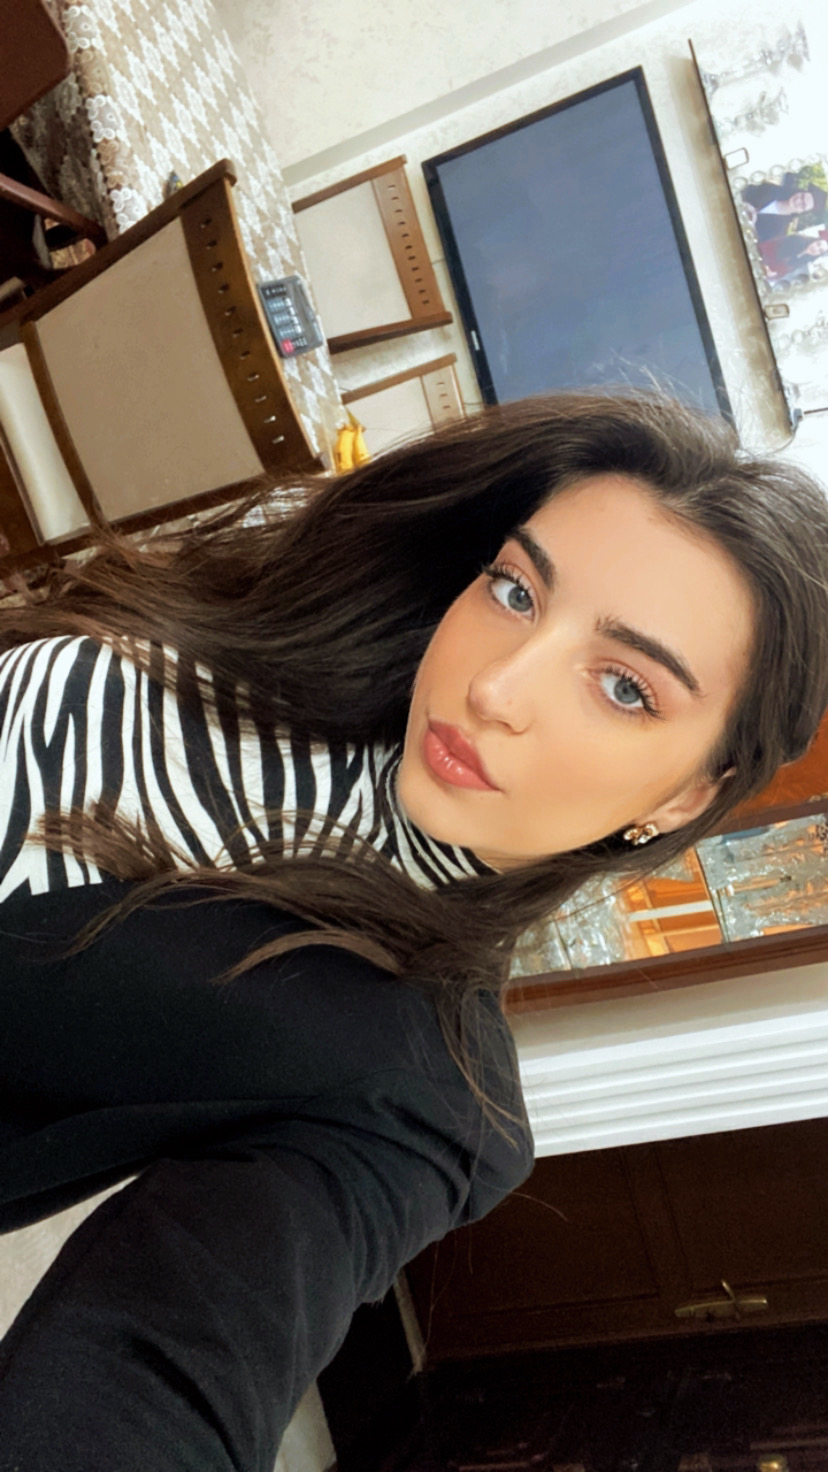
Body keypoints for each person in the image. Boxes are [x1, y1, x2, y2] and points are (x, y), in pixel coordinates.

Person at [0, 390, 827, 1469]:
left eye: (625, 687)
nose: (495, 686)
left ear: (683, 797)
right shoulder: (301, 624)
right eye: (517, 590)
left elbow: (154, 1360)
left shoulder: (419, 1091)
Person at [740, 173, 828, 240]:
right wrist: (745, 204)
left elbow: (754, 239)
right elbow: (744, 189)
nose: (798, 200)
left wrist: (751, 224)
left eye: (803, 205)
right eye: (802, 196)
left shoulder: (780, 229)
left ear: (801, 212)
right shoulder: (772, 190)